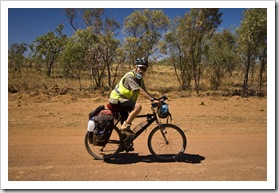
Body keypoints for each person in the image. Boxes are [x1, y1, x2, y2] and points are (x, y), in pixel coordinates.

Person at [108, 58, 154, 135]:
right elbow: (140, 90)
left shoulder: (140, 80)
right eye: (140, 68)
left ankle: (124, 143)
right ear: (135, 67)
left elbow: (145, 91)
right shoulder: (130, 76)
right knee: (137, 107)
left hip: (124, 101)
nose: (142, 71)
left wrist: (155, 99)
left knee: (126, 132)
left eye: (144, 69)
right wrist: (152, 100)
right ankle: (125, 125)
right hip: (117, 100)